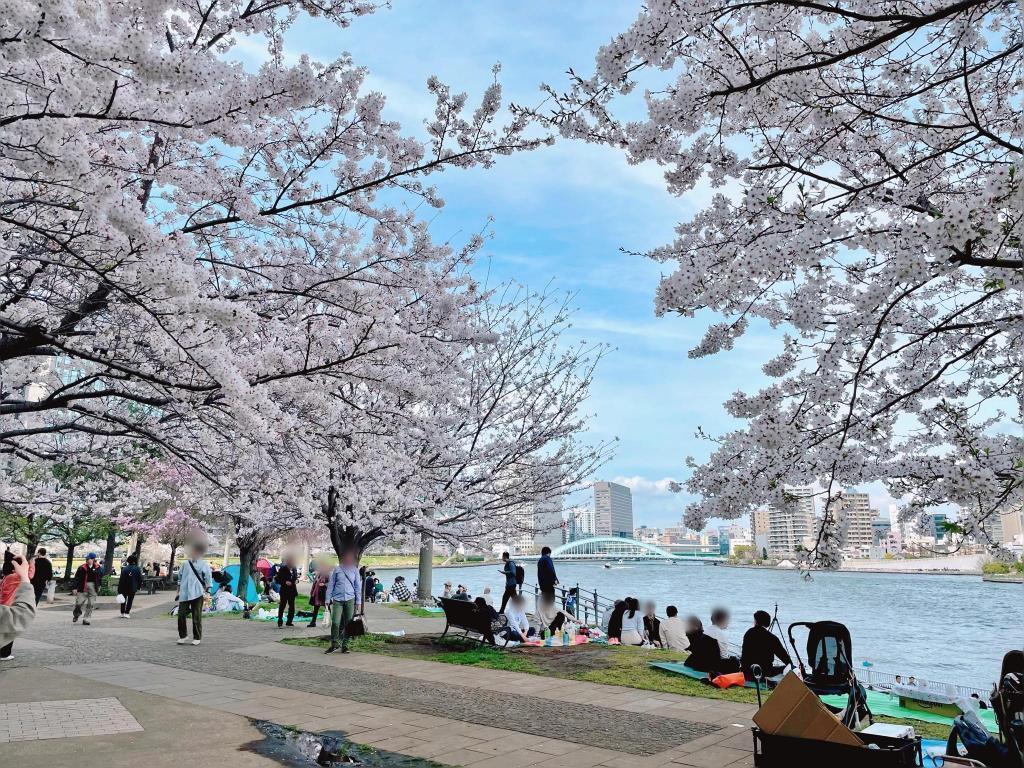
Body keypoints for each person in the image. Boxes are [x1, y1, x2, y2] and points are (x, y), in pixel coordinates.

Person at [176, 539, 212, 645]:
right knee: (181, 614)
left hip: (198, 593)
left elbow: (208, 579)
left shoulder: (203, 564)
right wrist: (178, 591)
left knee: (196, 616)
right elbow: (180, 577)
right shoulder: (185, 564)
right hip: (185, 593)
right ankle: (183, 635)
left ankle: (197, 637)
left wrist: (208, 592)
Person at [325, 550, 362, 654]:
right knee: (336, 622)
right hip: (337, 599)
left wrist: (358, 602)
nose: (349, 560)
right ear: (344, 559)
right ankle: (334, 644)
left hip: (350, 599)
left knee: (349, 623)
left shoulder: (355, 570)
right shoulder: (337, 569)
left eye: (351, 558)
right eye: (347, 558)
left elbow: (357, 587)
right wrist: (327, 600)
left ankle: (345, 645)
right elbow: (331, 585)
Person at [0, 555, 35, 661]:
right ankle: (5, 654)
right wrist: (31, 564)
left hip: (3, 603)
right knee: (9, 630)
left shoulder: (6, 577)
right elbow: (30, 575)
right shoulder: (15, 576)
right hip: (10, 604)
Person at [740, 610, 792, 680]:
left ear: (756, 621)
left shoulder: (748, 633)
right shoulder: (772, 638)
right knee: (786, 668)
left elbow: (744, 654)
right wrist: (792, 666)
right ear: (768, 623)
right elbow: (783, 656)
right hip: (765, 672)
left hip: (748, 671)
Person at [71, 552, 102, 625]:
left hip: (93, 587)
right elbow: (76, 578)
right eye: (87, 558)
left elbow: (100, 578)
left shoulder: (98, 567)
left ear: (93, 559)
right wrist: (74, 588)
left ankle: (86, 619)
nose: (87, 560)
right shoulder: (82, 567)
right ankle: (76, 615)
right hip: (83, 587)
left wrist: (99, 586)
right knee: (78, 603)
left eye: (89, 559)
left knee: (90, 604)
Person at [274, 556, 299, 627]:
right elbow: (277, 579)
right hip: (284, 590)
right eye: (290, 561)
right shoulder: (283, 569)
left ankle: (289, 621)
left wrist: (297, 581)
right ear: (287, 562)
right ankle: (280, 620)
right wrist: (285, 582)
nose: (291, 563)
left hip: (292, 590)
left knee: (292, 606)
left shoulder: (294, 568)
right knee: (282, 605)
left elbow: (295, 578)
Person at [308, 563, 329, 628]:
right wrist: (312, 592)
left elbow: (331, 584)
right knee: (316, 609)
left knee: (327, 609)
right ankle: (313, 622)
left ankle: (329, 621)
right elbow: (314, 584)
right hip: (316, 594)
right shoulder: (318, 575)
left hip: (323, 594)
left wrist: (324, 584)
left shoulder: (327, 575)